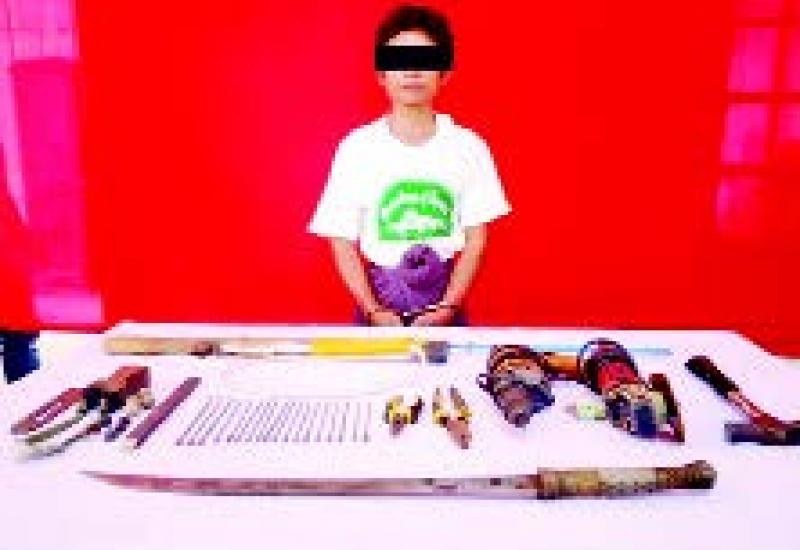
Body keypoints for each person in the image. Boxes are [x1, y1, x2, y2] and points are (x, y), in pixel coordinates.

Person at [309, 4, 510, 326]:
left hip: (446, 306)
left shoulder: (468, 147)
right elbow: (341, 239)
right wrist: (373, 310)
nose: (413, 70)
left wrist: (447, 307)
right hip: (377, 308)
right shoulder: (357, 148)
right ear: (381, 74)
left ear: (444, 73)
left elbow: (476, 240)